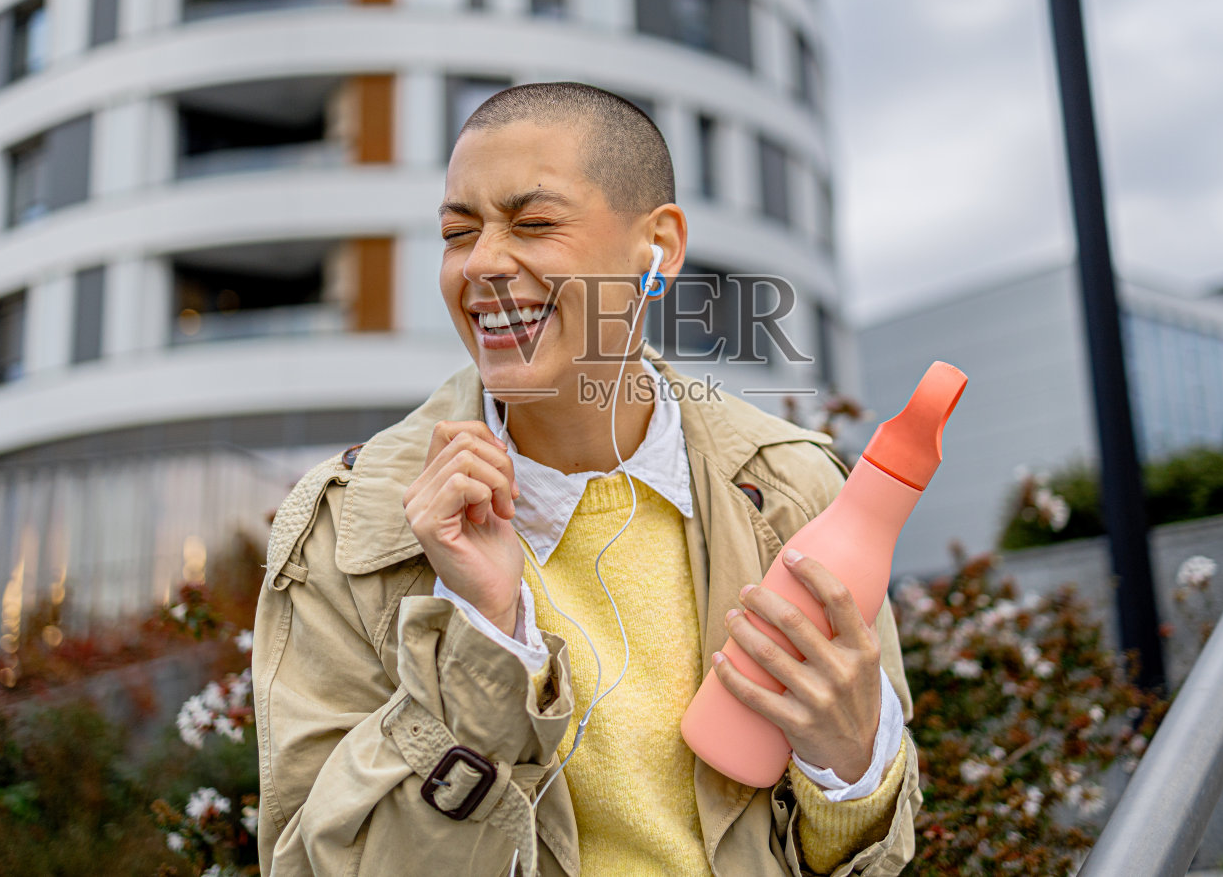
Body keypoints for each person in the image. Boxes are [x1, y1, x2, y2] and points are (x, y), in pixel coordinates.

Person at [251, 82, 923, 876]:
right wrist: (486, 636)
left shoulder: (796, 490)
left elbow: (877, 856)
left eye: (533, 223)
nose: (484, 264)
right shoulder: (352, 524)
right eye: (457, 233)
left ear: (659, 248)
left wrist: (848, 764)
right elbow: (312, 863)